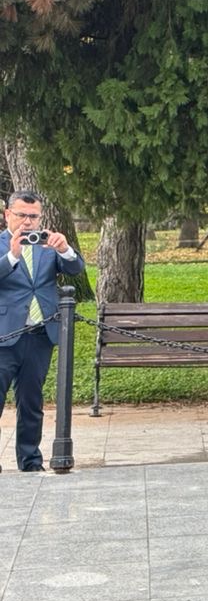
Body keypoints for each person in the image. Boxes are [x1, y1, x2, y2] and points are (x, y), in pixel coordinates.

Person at [0, 190, 86, 473]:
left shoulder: (47, 244)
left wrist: (64, 249)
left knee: (32, 402)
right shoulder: (2, 244)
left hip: (40, 334)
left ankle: (31, 461)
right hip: (4, 335)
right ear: (7, 215)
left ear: (40, 217)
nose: (27, 222)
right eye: (21, 215)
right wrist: (12, 257)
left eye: (33, 216)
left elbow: (75, 269)